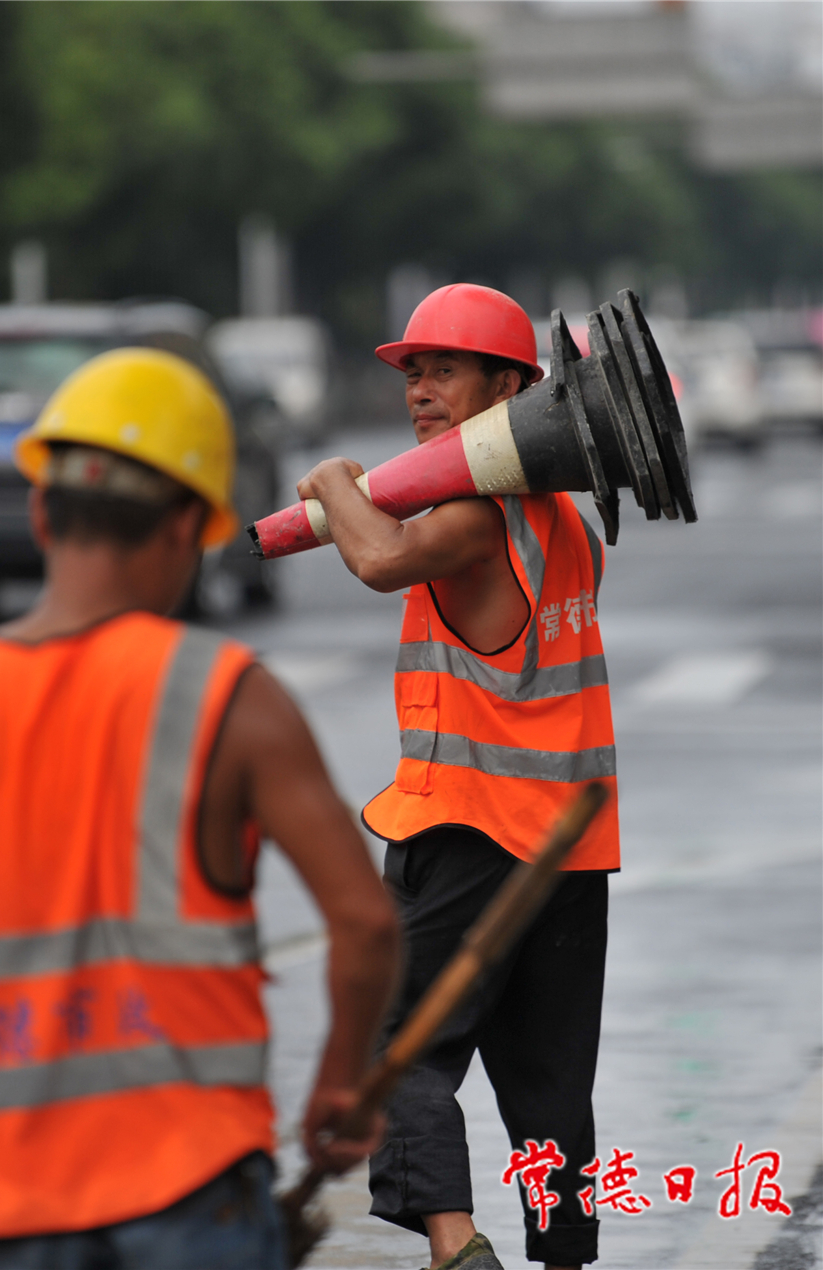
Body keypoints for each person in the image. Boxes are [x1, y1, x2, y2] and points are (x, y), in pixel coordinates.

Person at [0, 348, 400, 1270]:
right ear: (186, 529)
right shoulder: (226, 697)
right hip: (192, 1194)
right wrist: (343, 1089)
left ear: (40, 510)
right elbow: (366, 923)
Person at [294, 284, 620, 1270]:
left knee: (393, 1045)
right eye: (413, 373)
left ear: (511, 386)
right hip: (565, 843)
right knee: (549, 1079)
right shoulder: (565, 523)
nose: (419, 390)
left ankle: (453, 1243)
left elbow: (381, 559)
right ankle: (562, 1255)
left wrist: (331, 479)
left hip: (470, 832)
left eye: (443, 370)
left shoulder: (472, 515)